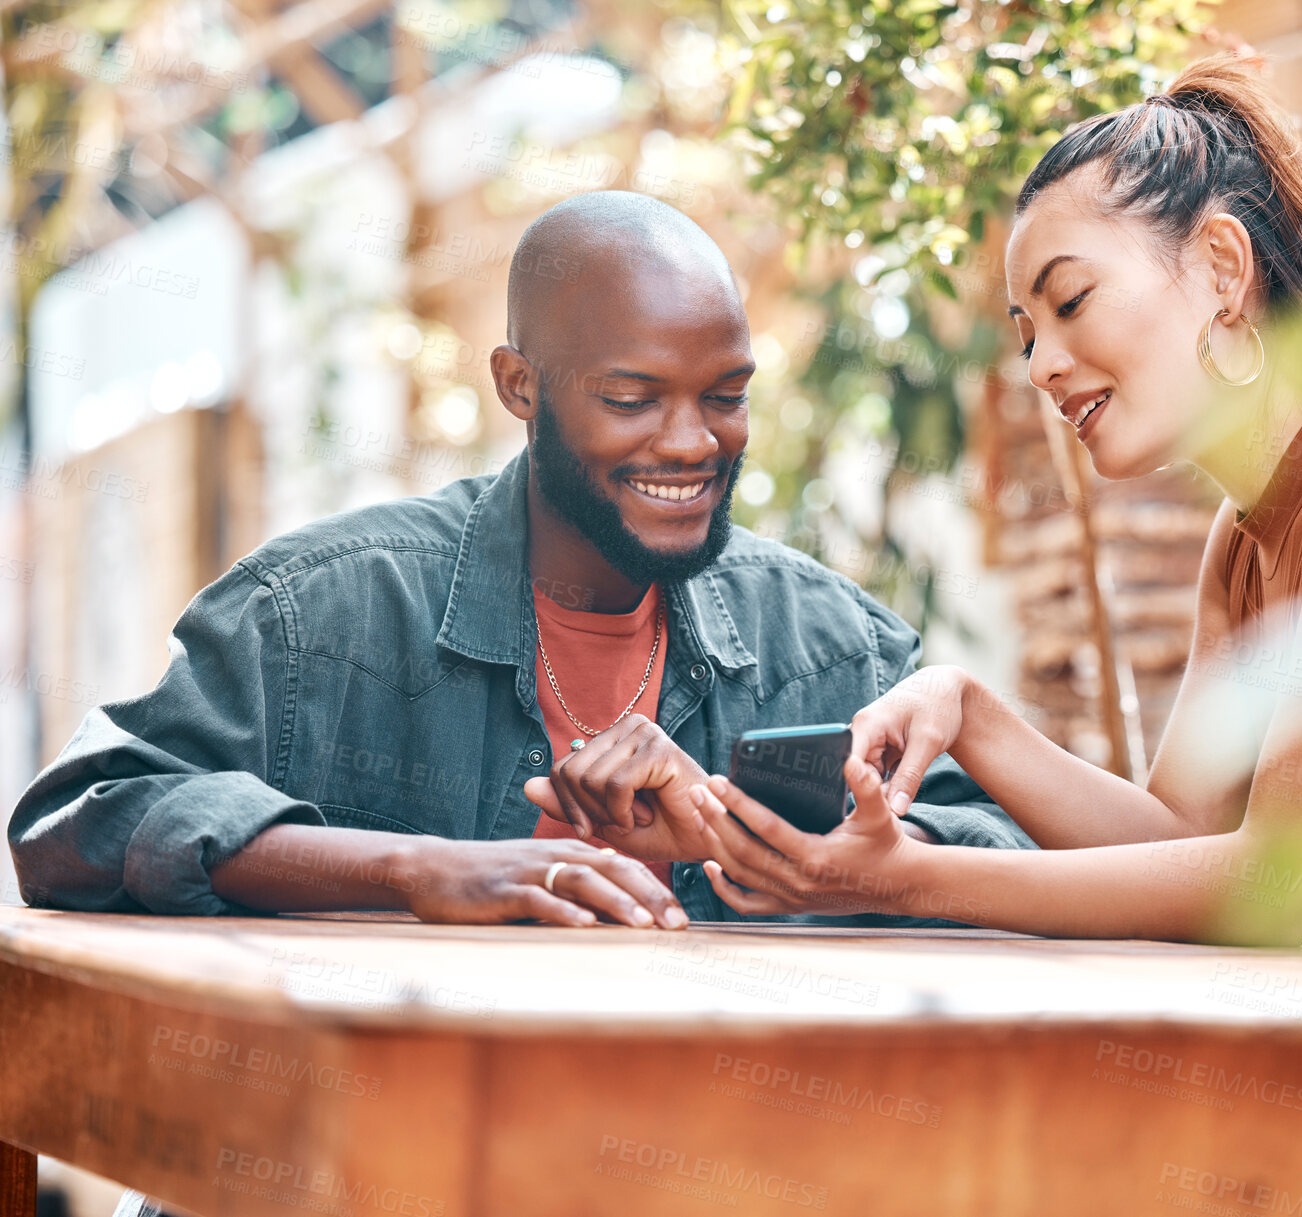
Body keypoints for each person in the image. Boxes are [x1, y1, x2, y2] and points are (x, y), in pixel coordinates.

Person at [7, 192, 1028, 927]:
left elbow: (1014, 861)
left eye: (724, 394)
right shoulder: (319, 615)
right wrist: (416, 870)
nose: (691, 440)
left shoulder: (831, 646)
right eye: (631, 398)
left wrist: (784, 846)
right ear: (519, 386)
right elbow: (76, 822)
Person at [675, 54, 1302, 945]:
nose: (1041, 366)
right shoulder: (1242, 539)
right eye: (1027, 334)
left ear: (1223, 265)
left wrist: (915, 878)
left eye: (1071, 299)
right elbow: (1183, 840)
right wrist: (969, 713)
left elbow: (1272, 886)